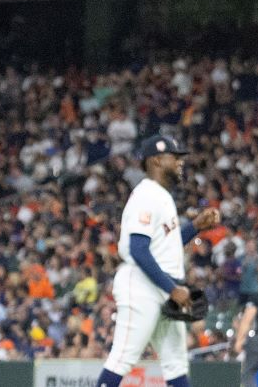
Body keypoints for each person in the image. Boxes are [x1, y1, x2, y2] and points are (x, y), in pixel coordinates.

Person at [95, 135, 220, 387]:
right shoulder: (146, 195)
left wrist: (195, 227)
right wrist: (172, 289)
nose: (180, 163)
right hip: (142, 285)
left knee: (176, 365)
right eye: (174, 158)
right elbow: (138, 249)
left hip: (164, 288)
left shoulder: (161, 196)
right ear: (156, 161)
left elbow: (164, 244)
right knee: (122, 359)